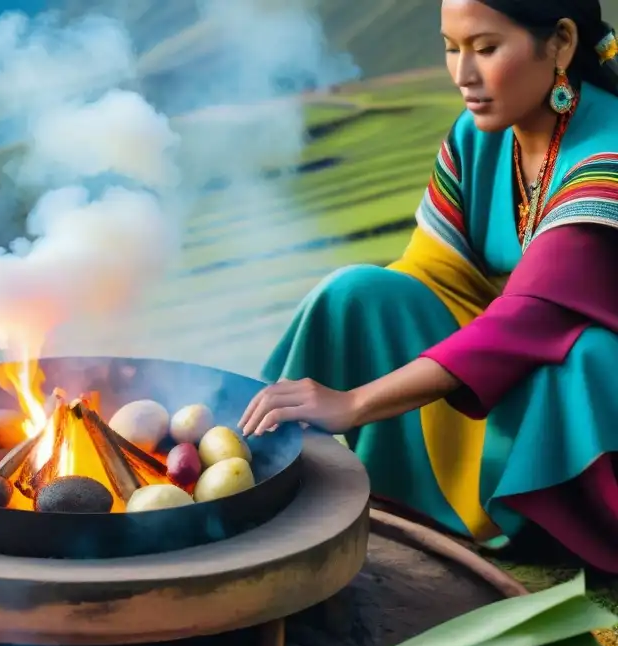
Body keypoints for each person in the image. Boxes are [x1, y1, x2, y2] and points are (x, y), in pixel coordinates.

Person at [240, 0, 618, 573]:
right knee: (357, 293)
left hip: (579, 407)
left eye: (486, 49)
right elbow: (430, 273)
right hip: (505, 367)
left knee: (586, 355)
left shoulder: (608, 151)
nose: (463, 75)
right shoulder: (479, 136)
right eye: (451, 47)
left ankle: (546, 521)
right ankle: (245, 456)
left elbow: (526, 320)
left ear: (561, 43)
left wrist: (355, 403)